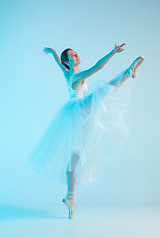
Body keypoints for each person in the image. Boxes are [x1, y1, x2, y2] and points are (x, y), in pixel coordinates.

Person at [25, 44, 144, 219]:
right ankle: (126, 74)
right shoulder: (77, 76)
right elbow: (98, 67)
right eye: (72, 56)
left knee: (75, 156)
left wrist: (53, 54)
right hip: (79, 110)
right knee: (102, 93)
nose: (76, 56)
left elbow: (60, 64)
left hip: (79, 118)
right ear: (68, 62)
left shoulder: (67, 73)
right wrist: (112, 52)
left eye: (76, 53)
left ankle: (70, 196)